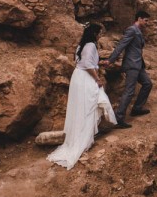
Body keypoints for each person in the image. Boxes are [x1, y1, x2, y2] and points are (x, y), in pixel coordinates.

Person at [47, 23, 117, 170]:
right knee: (89, 105)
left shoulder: (82, 45)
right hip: (85, 77)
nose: (100, 35)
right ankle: (83, 139)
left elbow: (84, 61)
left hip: (78, 77)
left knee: (82, 106)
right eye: (99, 32)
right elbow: (86, 64)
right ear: (94, 33)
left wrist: (99, 63)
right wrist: (97, 79)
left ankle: (83, 136)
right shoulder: (91, 45)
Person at [104, 10, 153, 129]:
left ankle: (136, 108)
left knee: (147, 83)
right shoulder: (132, 30)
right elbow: (121, 45)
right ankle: (119, 118)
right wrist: (110, 60)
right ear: (139, 19)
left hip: (139, 64)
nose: (147, 23)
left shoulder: (139, 31)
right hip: (131, 64)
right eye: (146, 20)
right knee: (129, 90)